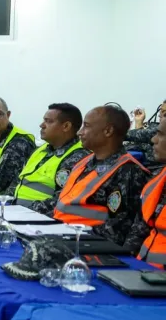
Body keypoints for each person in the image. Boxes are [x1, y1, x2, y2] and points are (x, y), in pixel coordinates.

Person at [53, 105, 151, 253]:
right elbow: (61, 202)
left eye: (86, 126)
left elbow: (120, 228)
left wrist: (67, 237)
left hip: (87, 246)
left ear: (108, 131)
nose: (80, 132)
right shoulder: (84, 163)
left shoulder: (128, 171)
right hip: (60, 233)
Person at [15, 103, 88, 211]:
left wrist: (25, 211)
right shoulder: (41, 149)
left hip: (41, 218)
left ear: (66, 126)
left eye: (48, 121)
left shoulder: (78, 157)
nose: (41, 125)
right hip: (17, 210)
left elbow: (62, 200)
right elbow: (20, 181)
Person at [137, 115, 166, 267]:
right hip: (145, 268)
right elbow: (140, 230)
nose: (153, 140)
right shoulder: (158, 177)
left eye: (160, 134)